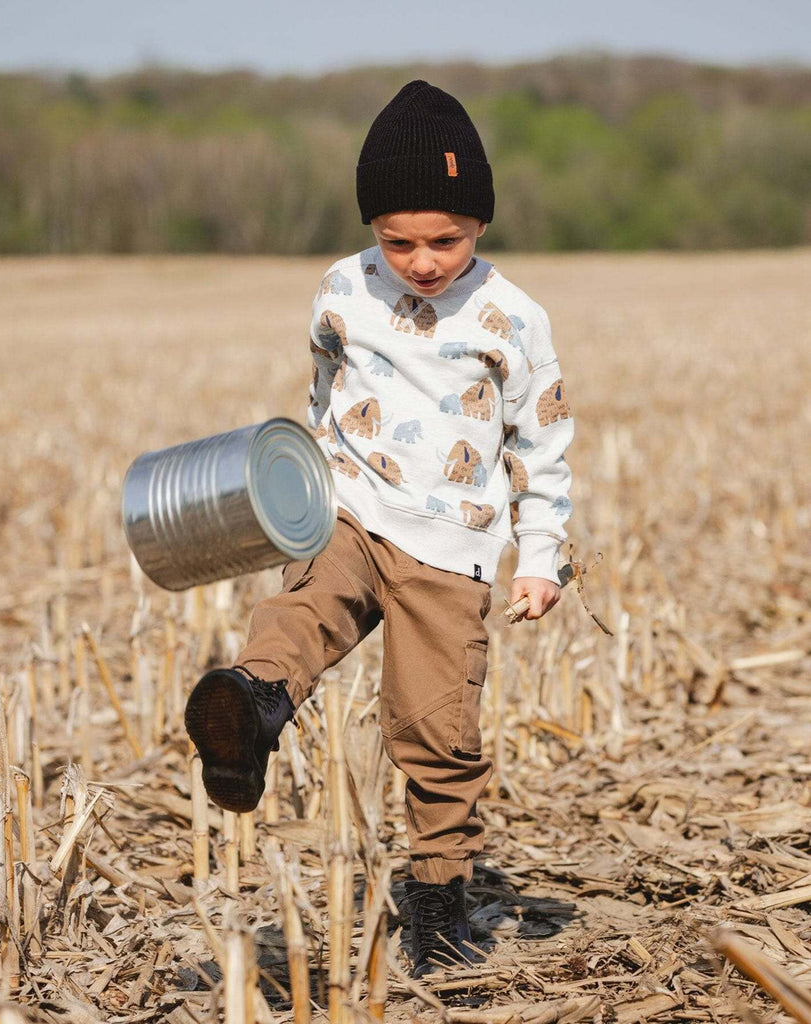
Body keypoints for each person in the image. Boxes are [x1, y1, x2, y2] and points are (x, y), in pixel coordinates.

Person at [185, 80, 574, 978]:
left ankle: (436, 899)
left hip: (452, 543)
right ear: (371, 227)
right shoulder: (340, 289)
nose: (422, 261)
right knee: (298, 613)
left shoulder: (513, 317)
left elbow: (541, 445)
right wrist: (297, 492)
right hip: (352, 508)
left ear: (479, 223)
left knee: (435, 728)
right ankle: (250, 708)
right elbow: (322, 399)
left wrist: (541, 556)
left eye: (445, 240)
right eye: (396, 240)